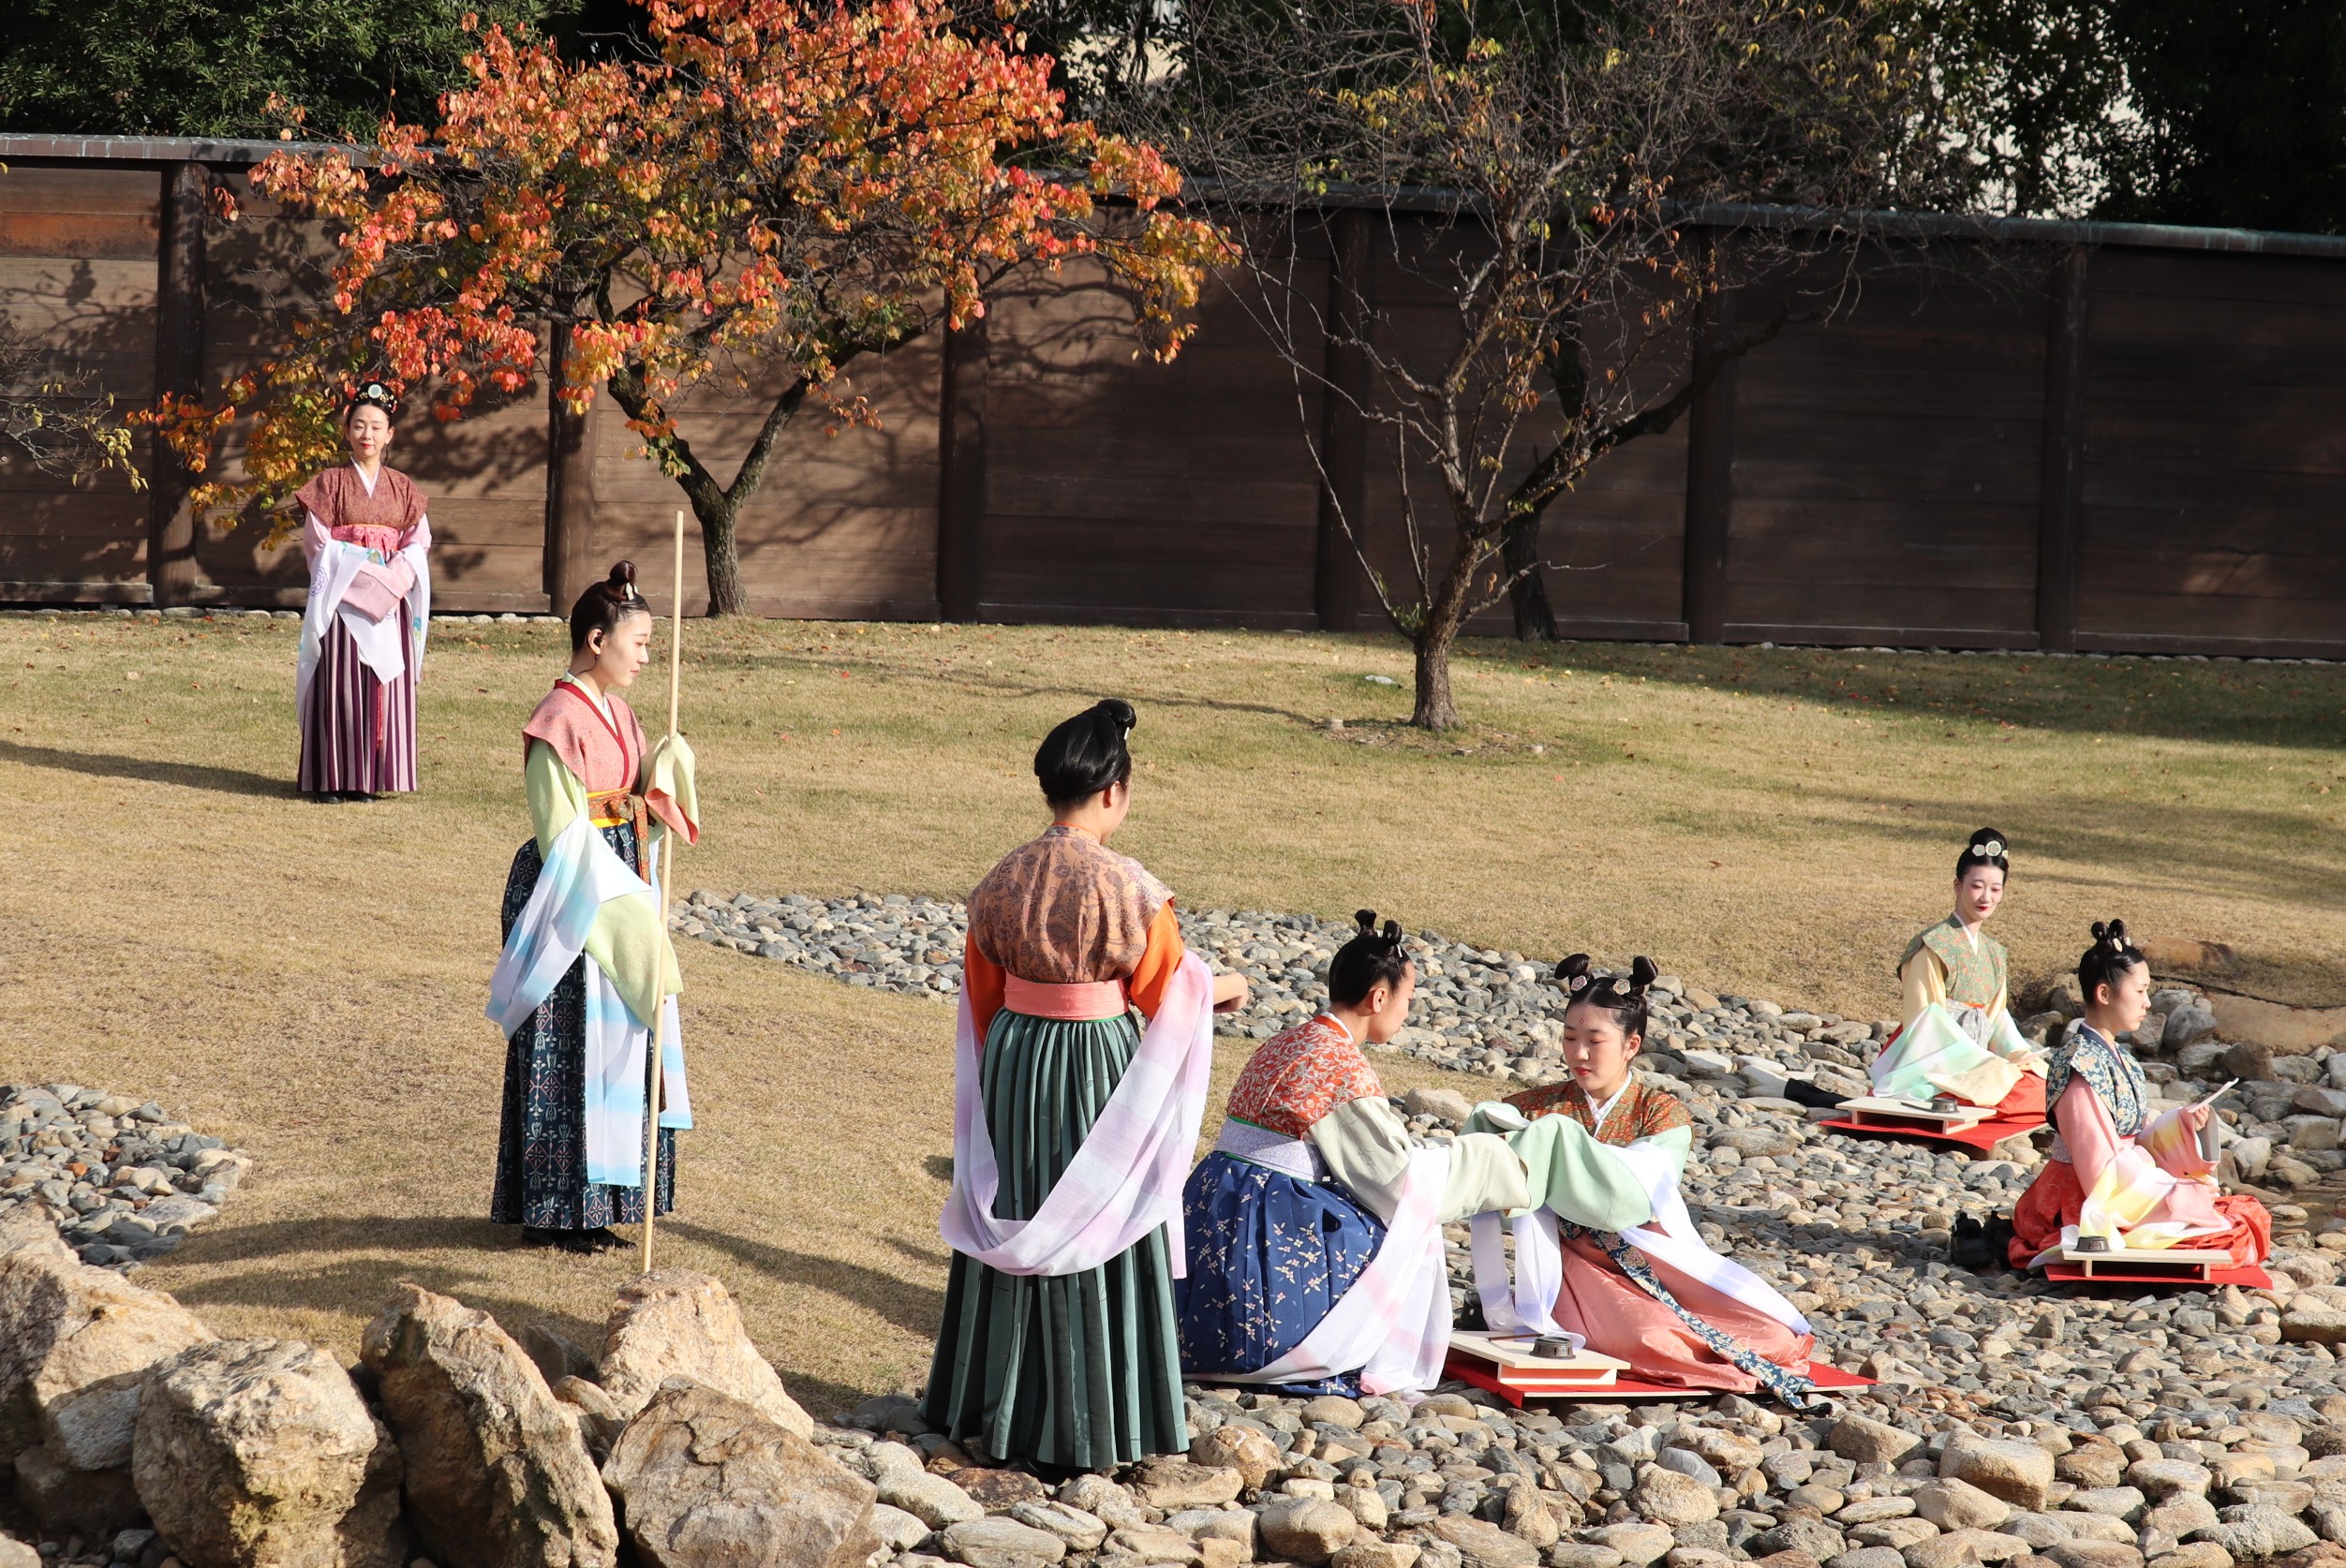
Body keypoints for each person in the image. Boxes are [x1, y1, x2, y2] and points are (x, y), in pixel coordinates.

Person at [924, 700, 1247, 1473]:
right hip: (1095, 1062)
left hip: (1014, 1057)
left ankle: (988, 1402)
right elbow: (1166, 992)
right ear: (1115, 791)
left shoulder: (1000, 880)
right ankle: (1094, 1420)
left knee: (1020, 1200)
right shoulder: (1133, 889)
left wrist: (1018, 1046)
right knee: (1100, 1213)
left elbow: (983, 995)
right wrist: (1226, 985)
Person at [1177, 912, 1529, 1397]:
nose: (1408, 1010)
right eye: (1408, 998)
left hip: (1212, 1206)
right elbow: (1396, 1181)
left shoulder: (1288, 1040)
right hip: (1263, 1221)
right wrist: (1493, 1159)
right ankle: (1285, 1348)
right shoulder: (1338, 1064)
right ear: (1378, 998)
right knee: (1398, 1233)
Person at [1468, 955, 1818, 1403]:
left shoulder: (1660, 1114)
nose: (1578, 1054)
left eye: (1595, 1041)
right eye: (1569, 1038)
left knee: (1770, 1333)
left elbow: (1633, 1201)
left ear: (1631, 1045)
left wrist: (1560, 1147)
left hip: (1652, 1256)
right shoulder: (1530, 1107)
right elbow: (1495, 1188)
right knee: (1646, 1336)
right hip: (1570, 1262)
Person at [485, 561, 699, 1254]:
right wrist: (618, 904)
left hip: (623, 881)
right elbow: (563, 833)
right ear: (598, 640)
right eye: (639, 643)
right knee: (570, 1041)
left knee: (621, 1043)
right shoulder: (557, 721)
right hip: (572, 893)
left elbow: (637, 810)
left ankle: (604, 1202)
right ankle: (554, 1211)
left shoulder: (624, 716)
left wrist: (666, 774)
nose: (646, 658)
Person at [2009, 920, 2270, 1269]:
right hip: (2086, 1200)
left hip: (2126, 1184)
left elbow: (2137, 1138)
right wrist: (2176, 1194)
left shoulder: (2119, 1058)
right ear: (2105, 994)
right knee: (2230, 1227)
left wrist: (2181, 1124)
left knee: (2240, 1217)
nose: (2147, 1003)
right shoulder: (2080, 1066)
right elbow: (2100, 1170)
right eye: (2140, 991)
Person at [293, 383, 432, 800]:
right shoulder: (329, 483)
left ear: (390, 434)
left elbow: (417, 543)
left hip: (389, 602)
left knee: (377, 685)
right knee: (339, 685)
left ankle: (369, 778)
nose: (366, 434)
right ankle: (331, 777)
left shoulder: (403, 488)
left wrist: (392, 580)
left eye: (376, 426)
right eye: (358, 425)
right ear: (346, 431)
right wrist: (360, 577)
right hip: (342, 601)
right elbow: (318, 543)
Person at [1864, 828, 2047, 1117]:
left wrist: (2018, 1055)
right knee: (2012, 1093)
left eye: (1995, 889)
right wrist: (1980, 1060)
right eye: (1977, 886)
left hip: (1979, 1060)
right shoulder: (1934, 945)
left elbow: (1998, 1020)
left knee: (2038, 1082)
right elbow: (1925, 1020)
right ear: (1958, 886)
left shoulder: (1994, 953)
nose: (1986, 897)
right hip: (1932, 1061)